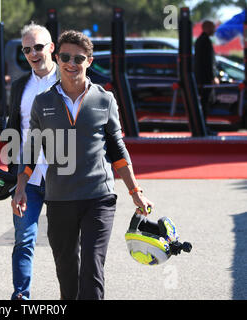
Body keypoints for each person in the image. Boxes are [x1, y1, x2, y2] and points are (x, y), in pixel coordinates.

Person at [11, 30, 154, 300]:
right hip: (60, 198)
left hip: (98, 197)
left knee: (92, 267)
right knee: (67, 272)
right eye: (65, 57)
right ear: (57, 57)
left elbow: (117, 149)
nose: (71, 63)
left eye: (79, 58)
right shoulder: (43, 103)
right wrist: (20, 187)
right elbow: (32, 150)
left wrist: (136, 191)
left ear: (89, 61)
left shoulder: (105, 99)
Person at [6, 22, 59, 300]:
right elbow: (13, 128)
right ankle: (20, 298)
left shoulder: (69, 81)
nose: (33, 54)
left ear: (51, 48)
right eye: (27, 49)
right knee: (23, 240)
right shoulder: (19, 87)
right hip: (27, 177)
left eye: (38, 47)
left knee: (65, 244)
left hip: (64, 175)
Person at [194, 20, 219, 133]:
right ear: (207, 28)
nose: (214, 30)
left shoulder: (200, 40)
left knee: (204, 104)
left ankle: (203, 126)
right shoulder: (205, 41)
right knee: (204, 103)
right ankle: (203, 127)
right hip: (204, 79)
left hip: (202, 78)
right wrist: (212, 77)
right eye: (213, 27)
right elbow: (207, 62)